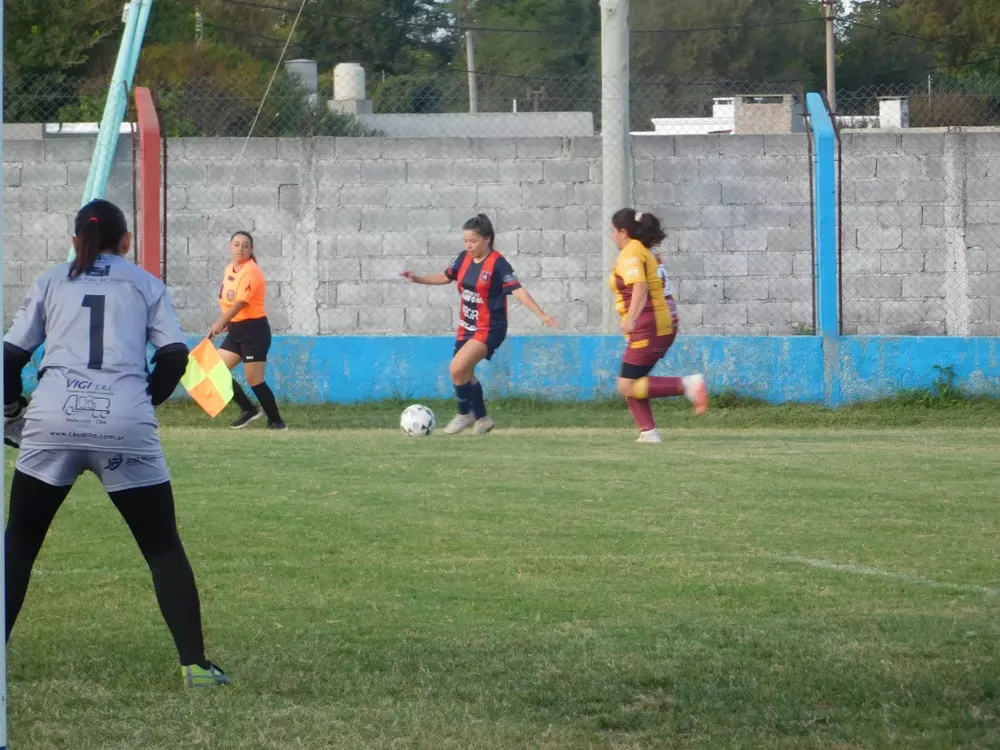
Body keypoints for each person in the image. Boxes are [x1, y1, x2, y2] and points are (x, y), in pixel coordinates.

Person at [2, 199, 229, 688]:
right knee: (162, 547)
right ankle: (195, 667)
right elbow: (174, 357)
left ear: (75, 240)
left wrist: (12, 412)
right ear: (126, 242)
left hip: (52, 419)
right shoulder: (146, 284)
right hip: (124, 421)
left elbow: (9, 357)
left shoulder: (51, 281)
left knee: (18, 544)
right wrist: (143, 402)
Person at [401, 213, 558, 435]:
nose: (469, 246)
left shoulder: (498, 263)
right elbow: (446, 276)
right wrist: (417, 278)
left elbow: (517, 290)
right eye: (465, 241)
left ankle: (464, 414)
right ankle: (483, 418)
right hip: (467, 327)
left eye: (473, 241)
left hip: (490, 328)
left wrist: (541, 314)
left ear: (487, 239)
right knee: (463, 374)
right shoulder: (463, 258)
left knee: (456, 368)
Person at [610, 208, 708, 443]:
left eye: (613, 231)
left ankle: (688, 385)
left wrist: (631, 318)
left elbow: (640, 287)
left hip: (649, 325)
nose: (612, 236)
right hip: (660, 322)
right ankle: (648, 432)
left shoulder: (632, 252)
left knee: (626, 385)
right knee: (635, 380)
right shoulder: (648, 249)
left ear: (623, 232)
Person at [208, 231, 287, 430]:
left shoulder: (252, 272)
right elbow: (228, 300)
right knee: (215, 370)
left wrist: (220, 322)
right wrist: (229, 322)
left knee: (255, 380)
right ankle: (249, 409)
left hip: (254, 332)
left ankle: (277, 422)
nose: (240, 249)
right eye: (236, 245)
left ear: (251, 249)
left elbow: (240, 303)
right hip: (236, 330)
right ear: (230, 247)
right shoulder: (229, 269)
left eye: (245, 246)